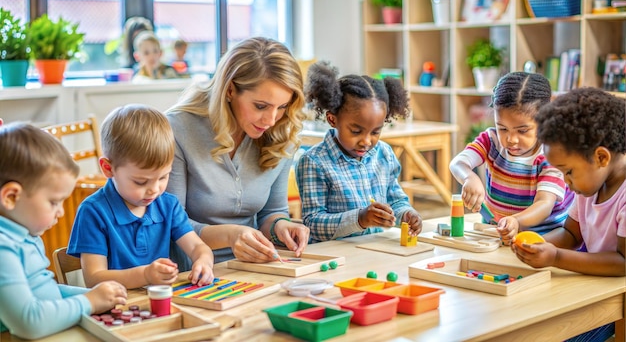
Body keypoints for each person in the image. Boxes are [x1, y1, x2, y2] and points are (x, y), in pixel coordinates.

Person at [165, 37, 310, 268]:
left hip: (253, 269)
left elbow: (272, 212)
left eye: (282, 107)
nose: (271, 120)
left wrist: (281, 225)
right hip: (192, 273)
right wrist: (231, 236)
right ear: (230, 89)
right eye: (260, 106)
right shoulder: (178, 130)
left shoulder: (282, 133)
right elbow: (170, 223)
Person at [512, 87, 625, 342]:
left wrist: (556, 257)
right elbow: (571, 233)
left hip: (616, 297)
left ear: (601, 157)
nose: (566, 182)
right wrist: (534, 243)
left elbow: (623, 262)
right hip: (593, 283)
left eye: (568, 171)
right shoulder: (591, 184)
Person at [0, 123, 127, 339]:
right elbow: (29, 322)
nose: (60, 212)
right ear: (11, 197)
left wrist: (95, 295)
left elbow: (46, 292)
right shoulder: (4, 249)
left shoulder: (26, 237)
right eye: (54, 202)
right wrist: (89, 301)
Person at [67, 105, 215, 289]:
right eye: (140, 182)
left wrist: (204, 261)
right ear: (108, 168)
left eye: (162, 177)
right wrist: (146, 275)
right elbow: (94, 278)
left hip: (160, 302)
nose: (154, 190)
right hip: (118, 307)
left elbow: (197, 247)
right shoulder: (93, 211)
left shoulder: (168, 205)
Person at [295, 61, 423, 242]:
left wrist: (407, 214)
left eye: (375, 132)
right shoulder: (314, 162)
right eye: (356, 131)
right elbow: (312, 224)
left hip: (374, 250)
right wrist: (360, 219)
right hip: (335, 257)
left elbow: (396, 200)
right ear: (332, 119)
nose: (366, 141)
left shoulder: (384, 154)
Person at [449, 71, 574, 244]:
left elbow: (544, 204)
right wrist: (469, 177)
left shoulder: (550, 155)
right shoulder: (491, 141)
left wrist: (517, 221)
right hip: (497, 235)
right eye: (502, 128)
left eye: (522, 131)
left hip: (540, 240)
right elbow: (457, 163)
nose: (511, 139)